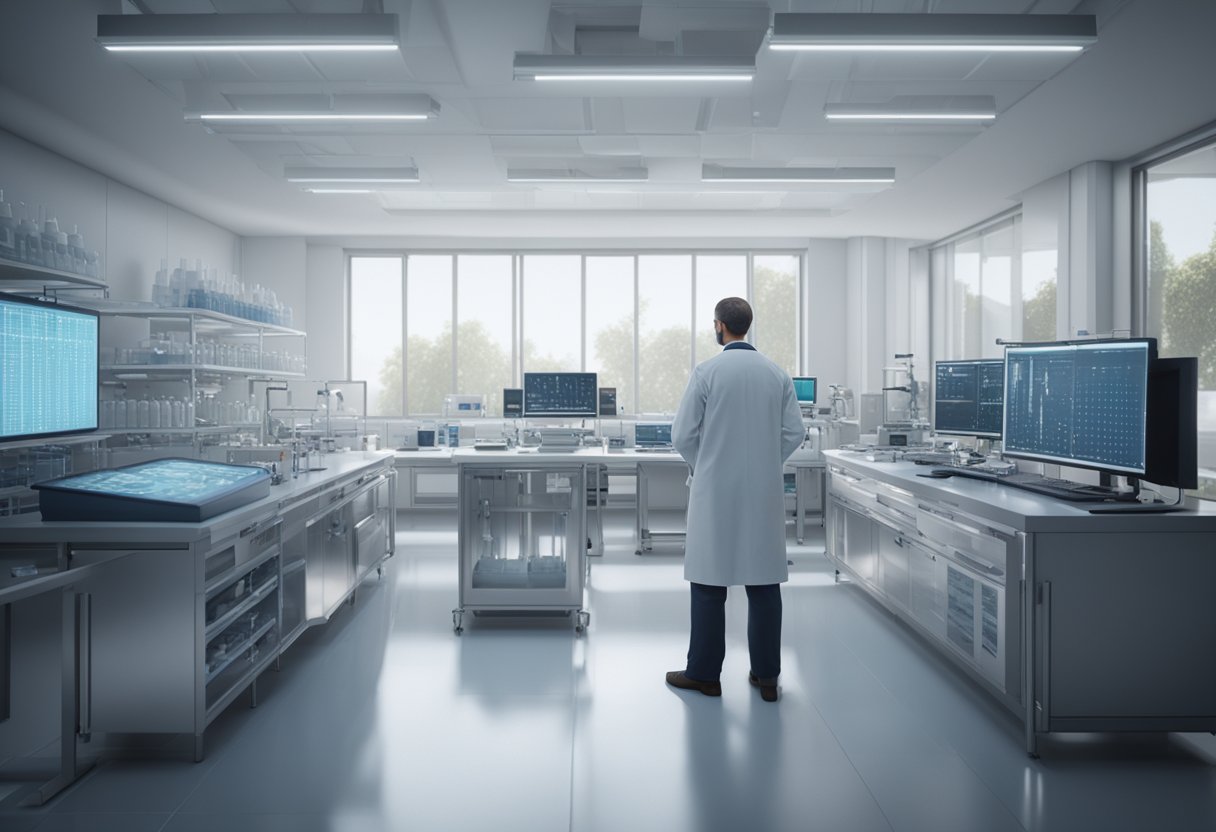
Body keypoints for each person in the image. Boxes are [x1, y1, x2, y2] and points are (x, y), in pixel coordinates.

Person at [665, 297, 805, 702]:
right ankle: (767, 677)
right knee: (764, 582)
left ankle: (705, 675)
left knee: (709, 581)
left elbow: (681, 435)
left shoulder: (707, 372)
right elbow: (794, 433)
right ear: (747, 326)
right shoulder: (776, 373)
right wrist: (765, 462)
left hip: (715, 492)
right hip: (763, 492)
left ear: (719, 327)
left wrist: (704, 464)